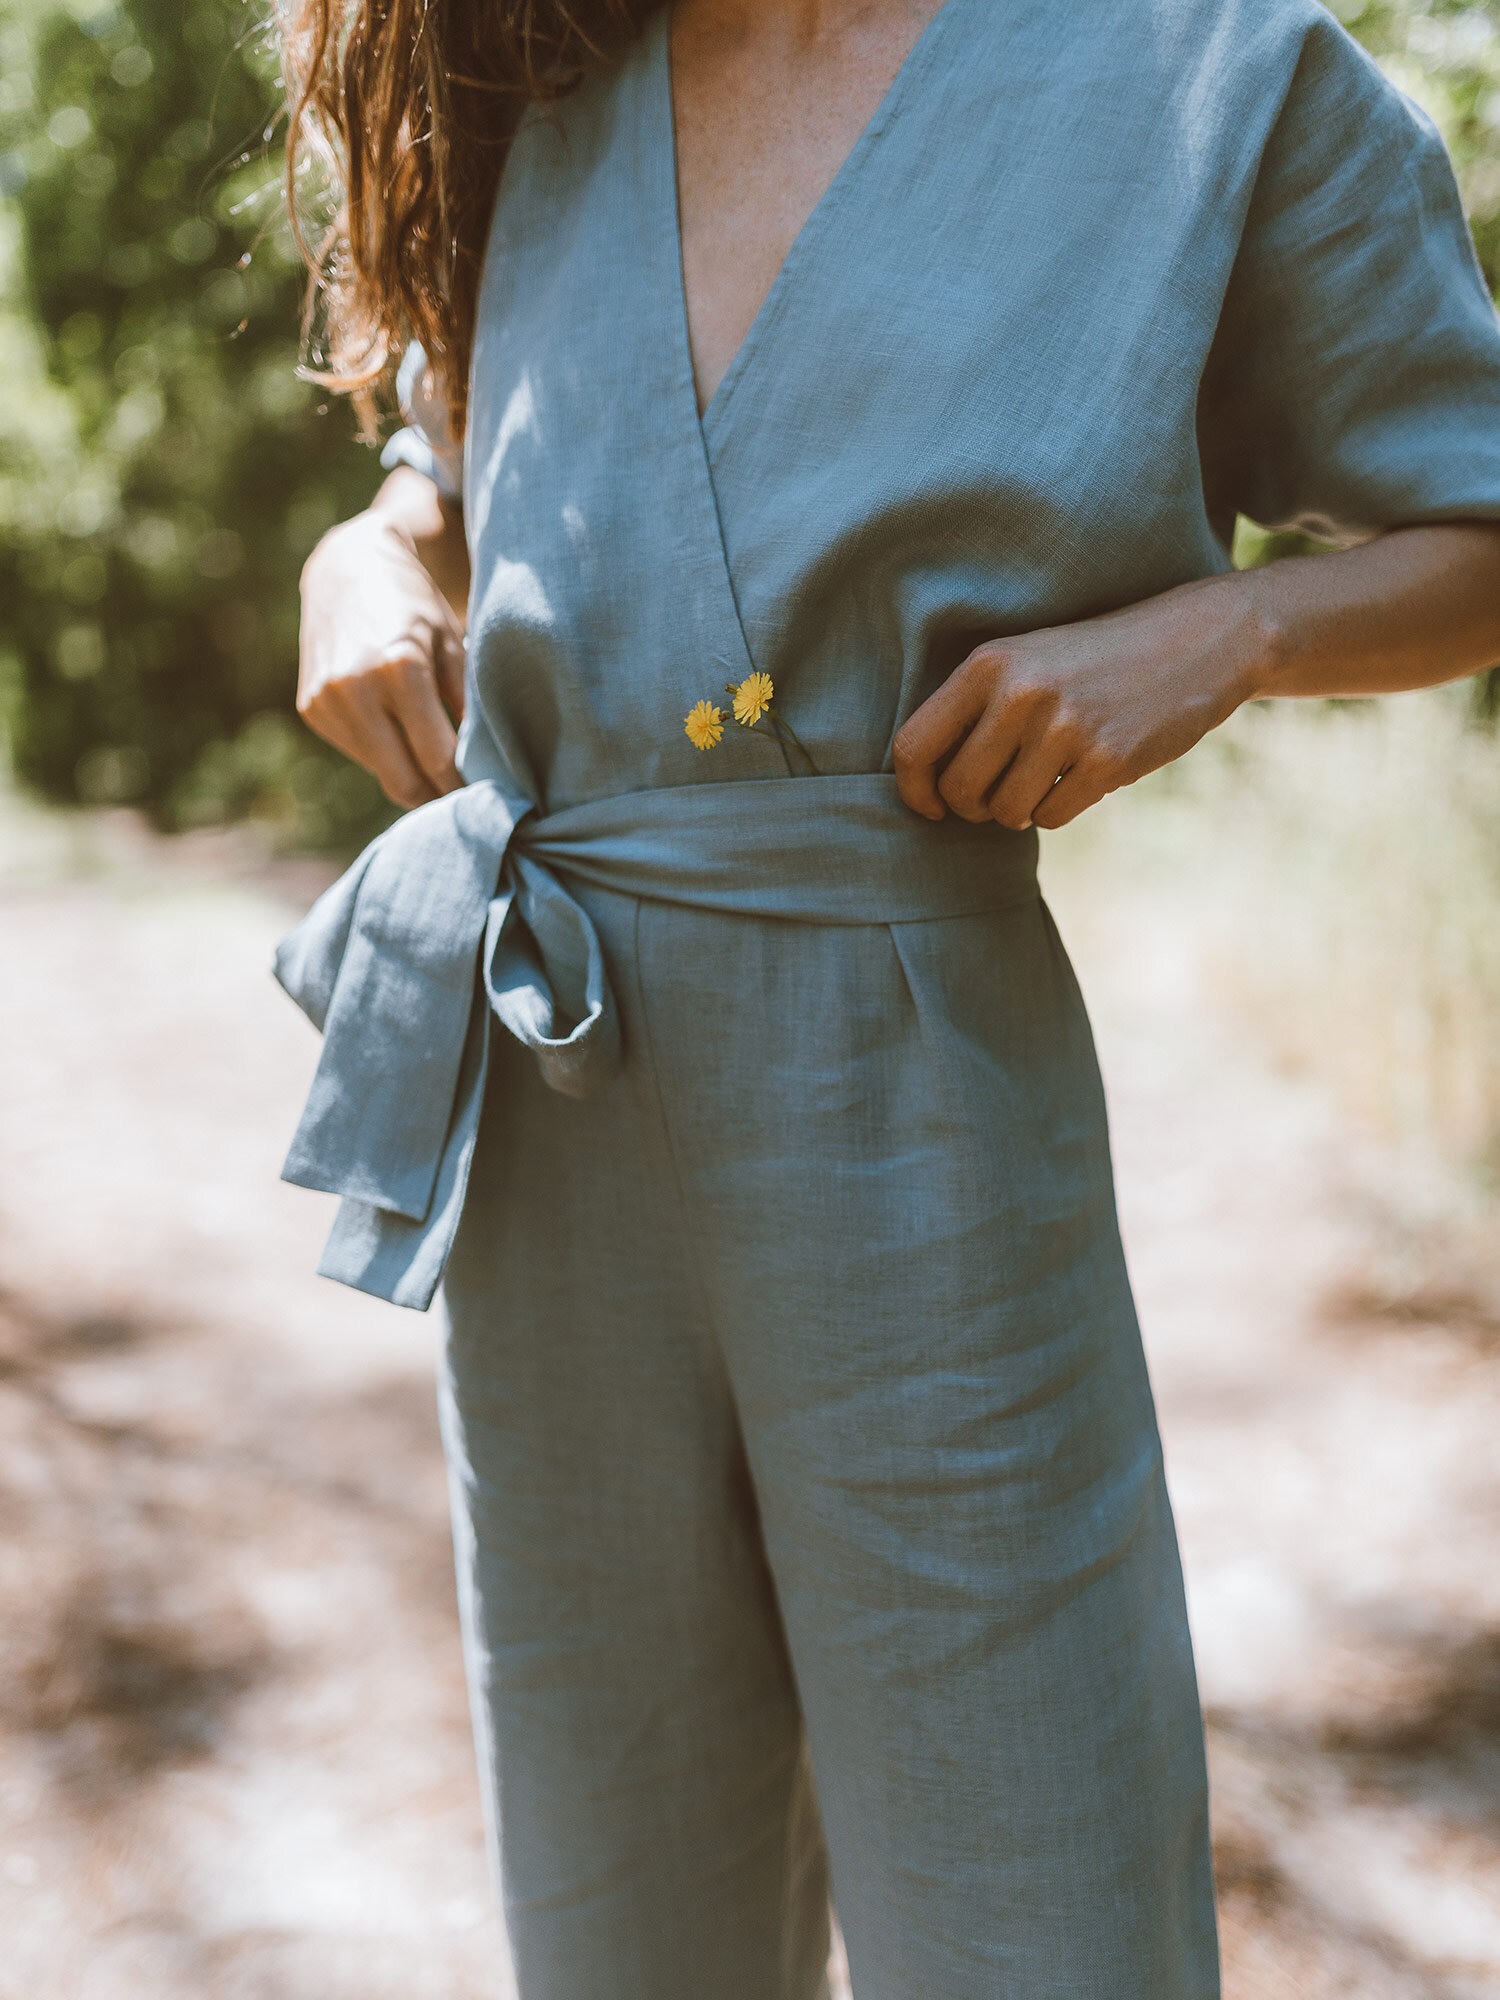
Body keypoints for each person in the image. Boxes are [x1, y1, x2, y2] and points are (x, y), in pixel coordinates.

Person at [271, 1, 1500, 1993]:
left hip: (914, 1096)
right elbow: (445, 444)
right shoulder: (535, 68)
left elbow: (1478, 518)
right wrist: (377, 542)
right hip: (546, 1097)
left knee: (1039, 1906)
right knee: (619, 1912)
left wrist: (1235, 629)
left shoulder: (1204, 74)